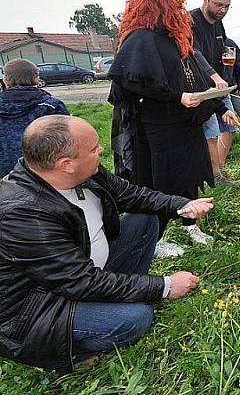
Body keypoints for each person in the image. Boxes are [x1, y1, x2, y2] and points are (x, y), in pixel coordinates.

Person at [0, 115, 213, 371]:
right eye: (93, 149)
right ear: (66, 164)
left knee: (144, 218)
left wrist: (181, 205)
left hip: (87, 268)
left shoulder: (86, 172)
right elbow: (80, 282)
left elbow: (130, 195)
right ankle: (69, 353)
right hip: (44, 305)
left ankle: (122, 293)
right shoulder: (22, 214)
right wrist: (164, 286)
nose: (101, 150)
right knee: (136, 319)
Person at [108, 0, 237, 257]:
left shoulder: (173, 38)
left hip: (186, 124)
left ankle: (190, 224)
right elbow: (135, 82)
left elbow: (196, 78)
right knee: (161, 181)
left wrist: (219, 106)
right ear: (157, 7)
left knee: (189, 175)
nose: (180, 10)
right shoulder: (140, 38)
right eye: (173, 5)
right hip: (159, 129)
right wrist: (176, 97)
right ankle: (156, 239)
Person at [190, 0, 240, 188]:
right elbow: (193, 52)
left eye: (227, 6)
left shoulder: (219, 24)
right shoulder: (190, 21)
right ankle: (215, 178)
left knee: (230, 126)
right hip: (202, 85)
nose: (222, 10)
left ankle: (218, 169)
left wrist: (227, 74)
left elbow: (221, 49)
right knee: (211, 133)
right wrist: (213, 74)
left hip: (221, 85)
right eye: (218, 5)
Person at [0, 59, 69, 177]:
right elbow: (69, 136)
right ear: (36, 78)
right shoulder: (51, 105)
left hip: (6, 166)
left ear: (6, 80)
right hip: (46, 166)